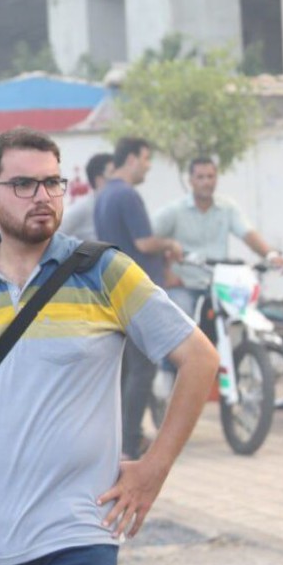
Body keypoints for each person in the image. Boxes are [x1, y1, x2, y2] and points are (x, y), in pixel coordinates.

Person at [0, 128, 218, 565]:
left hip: (79, 532)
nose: (43, 196)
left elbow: (200, 358)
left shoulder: (104, 271)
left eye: (53, 183)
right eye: (24, 184)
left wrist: (154, 469)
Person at [94, 137, 184, 459]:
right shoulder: (127, 195)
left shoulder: (104, 195)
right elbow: (144, 243)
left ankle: (120, 441)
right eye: (146, 159)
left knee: (126, 372)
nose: (148, 166)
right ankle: (130, 444)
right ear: (131, 159)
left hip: (114, 293)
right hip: (135, 295)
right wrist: (170, 244)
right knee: (142, 371)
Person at [154, 155, 283, 316]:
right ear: (191, 180)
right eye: (200, 177)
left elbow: (248, 233)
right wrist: (165, 271)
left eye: (210, 176)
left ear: (216, 179)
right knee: (181, 318)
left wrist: (271, 255)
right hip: (185, 287)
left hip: (221, 286)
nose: (206, 182)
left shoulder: (227, 208)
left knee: (249, 313)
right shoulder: (174, 211)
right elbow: (147, 241)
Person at [59, 152, 114, 240]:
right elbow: (55, 235)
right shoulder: (84, 207)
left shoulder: (119, 205)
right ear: (99, 180)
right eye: (113, 173)